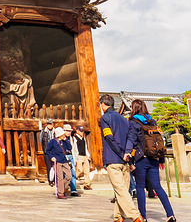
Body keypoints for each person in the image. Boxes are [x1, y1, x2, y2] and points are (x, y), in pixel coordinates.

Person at [124, 100, 176, 222]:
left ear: (134, 108)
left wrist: (129, 159)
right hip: (154, 158)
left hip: (141, 158)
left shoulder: (133, 122)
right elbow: (159, 141)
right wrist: (161, 159)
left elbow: (132, 140)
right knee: (157, 187)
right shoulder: (152, 121)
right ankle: (170, 215)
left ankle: (143, 216)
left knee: (140, 187)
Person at [99, 94, 142, 222]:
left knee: (120, 189)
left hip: (113, 158)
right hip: (125, 160)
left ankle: (135, 215)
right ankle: (118, 216)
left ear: (103, 104)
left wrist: (119, 152)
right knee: (122, 189)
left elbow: (109, 138)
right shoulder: (124, 119)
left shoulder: (105, 118)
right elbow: (131, 138)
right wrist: (127, 152)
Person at [46, 127, 71, 199]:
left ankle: (62, 188)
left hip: (64, 160)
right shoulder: (53, 141)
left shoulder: (64, 141)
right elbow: (47, 151)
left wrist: (66, 140)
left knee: (69, 176)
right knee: (60, 177)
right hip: (57, 161)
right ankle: (60, 193)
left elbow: (69, 147)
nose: (64, 135)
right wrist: (52, 157)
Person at [62, 124, 79, 197]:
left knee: (73, 173)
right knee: (63, 173)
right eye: (67, 131)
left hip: (71, 156)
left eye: (69, 131)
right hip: (63, 156)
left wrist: (76, 159)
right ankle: (63, 188)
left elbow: (75, 149)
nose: (68, 132)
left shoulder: (72, 139)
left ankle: (73, 189)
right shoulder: (61, 139)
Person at [73, 126, 92, 190]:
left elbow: (85, 147)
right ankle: (72, 179)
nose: (82, 132)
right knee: (79, 170)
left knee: (87, 171)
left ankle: (86, 184)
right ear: (77, 131)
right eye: (80, 131)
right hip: (79, 155)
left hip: (84, 155)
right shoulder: (74, 138)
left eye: (82, 131)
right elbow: (74, 148)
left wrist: (88, 155)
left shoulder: (83, 139)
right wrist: (76, 156)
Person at [39, 119, 56, 186]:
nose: (49, 125)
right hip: (47, 151)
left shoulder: (55, 132)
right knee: (49, 166)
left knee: (55, 166)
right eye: (48, 124)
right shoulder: (43, 132)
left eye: (50, 124)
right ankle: (50, 180)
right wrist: (45, 149)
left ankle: (55, 179)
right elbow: (41, 140)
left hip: (54, 151)